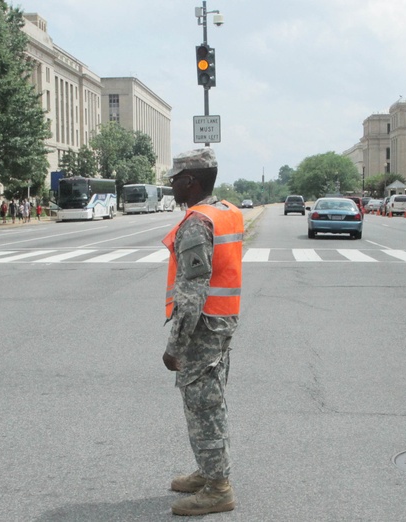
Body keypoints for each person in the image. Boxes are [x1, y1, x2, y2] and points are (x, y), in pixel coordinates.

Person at [162, 148, 243, 516]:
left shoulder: (196, 223)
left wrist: (174, 346)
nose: (172, 185)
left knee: (203, 407)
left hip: (202, 329)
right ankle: (209, 472)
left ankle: (218, 488)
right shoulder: (225, 211)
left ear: (191, 181)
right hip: (221, 323)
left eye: (176, 179)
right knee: (209, 403)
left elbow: (191, 293)